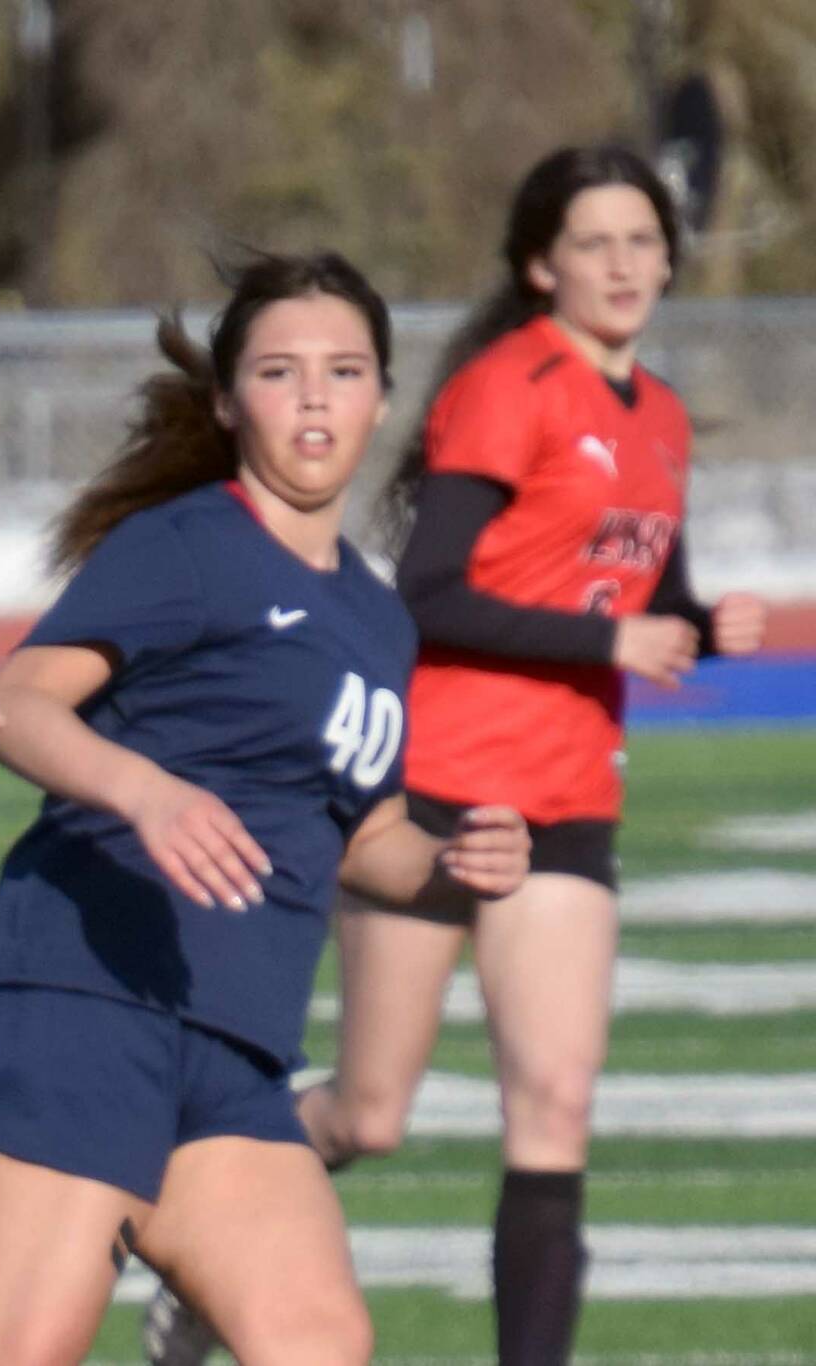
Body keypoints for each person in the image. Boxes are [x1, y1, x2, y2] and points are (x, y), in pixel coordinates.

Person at [0, 252, 531, 1366]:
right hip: (84, 1003)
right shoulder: (188, 544)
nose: (313, 396)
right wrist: (141, 788)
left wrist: (460, 866)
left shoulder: (376, 615)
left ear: (383, 398)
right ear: (223, 398)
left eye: (343, 370)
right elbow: (12, 700)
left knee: (315, 1344)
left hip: (233, 1048)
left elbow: (367, 838)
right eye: (278, 370)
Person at [260, 145, 766, 1366]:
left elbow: (653, 594)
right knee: (369, 1112)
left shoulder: (660, 415)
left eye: (640, 241)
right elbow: (428, 591)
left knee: (552, 1108)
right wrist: (612, 632)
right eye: (592, 242)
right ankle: (187, 1211)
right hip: (434, 788)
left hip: (568, 799)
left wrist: (700, 626)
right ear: (541, 263)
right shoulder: (506, 383)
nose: (621, 264)